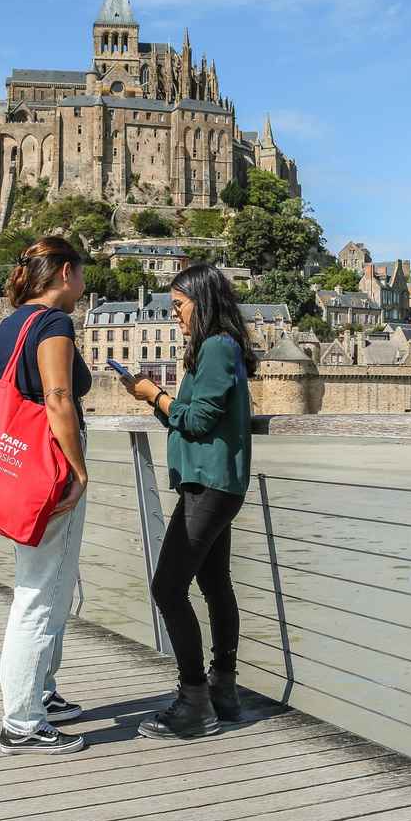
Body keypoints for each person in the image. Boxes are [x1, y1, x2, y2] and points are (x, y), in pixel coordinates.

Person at [119, 262, 256, 740]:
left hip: (210, 486)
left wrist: (153, 392)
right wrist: (152, 401)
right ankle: (224, 692)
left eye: (179, 305)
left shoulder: (217, 347)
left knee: (167, 588)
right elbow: (191, 421)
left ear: (203, 301)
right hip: (211, 481)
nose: (175, 314)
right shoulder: (218, 348)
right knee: (215, 584)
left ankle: (194, 701)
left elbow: (196, 422)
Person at [0, 236, 92, 756]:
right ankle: (22, 721)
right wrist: (77, 469)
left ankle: (40, 694)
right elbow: (57, 396)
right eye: (82, 275)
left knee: (44, 585)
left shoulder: (6, 327)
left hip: (17, 466)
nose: (85, 286)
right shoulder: (54, 324)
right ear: (66, 272)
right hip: (49, 469)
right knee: (39, 592)